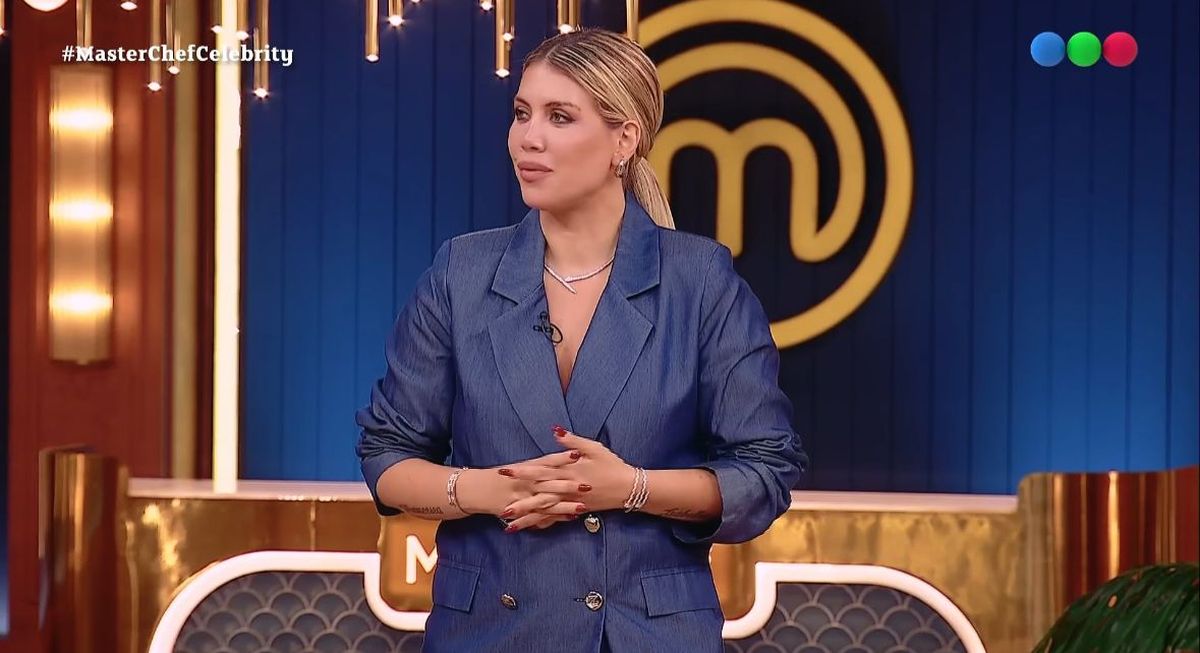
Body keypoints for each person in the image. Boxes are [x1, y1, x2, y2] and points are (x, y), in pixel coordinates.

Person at [355, 28, 807, 653]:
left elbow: (764, 473)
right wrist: (488, 490)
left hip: (646, 637)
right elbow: (387, 456)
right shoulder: (462, 273)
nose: (528, 138)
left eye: (559, 117)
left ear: (625, 139)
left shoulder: (700, 281)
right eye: (522, 113)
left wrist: (633, 489)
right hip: (489, 633)